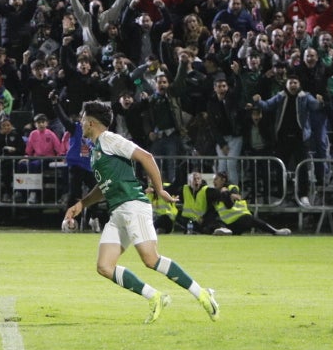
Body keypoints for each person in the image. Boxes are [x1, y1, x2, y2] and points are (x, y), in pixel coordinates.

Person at [60, 100, 218, 323]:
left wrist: (160, 188)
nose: (80, 121)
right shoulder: (97, 149)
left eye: (83, 117)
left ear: (92, 122)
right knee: (105, 266)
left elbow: (146, 157)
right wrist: (82, 204)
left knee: (150, 259)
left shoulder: (110, 139)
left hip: (133, 205)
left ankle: (202, 293)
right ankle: (155, 297)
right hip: (118, 212)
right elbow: (105, 186)